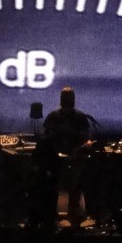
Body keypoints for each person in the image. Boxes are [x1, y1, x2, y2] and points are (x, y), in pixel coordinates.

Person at [42, 87, 94, 225]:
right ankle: (51, 217)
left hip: (75, 158)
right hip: (56, 160)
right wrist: (54, 152)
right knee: (53, 187)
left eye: (69, 96)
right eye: (65, 97)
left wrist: (79, 150)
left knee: (75, 186)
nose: (67, 99)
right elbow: (46, 138)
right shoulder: (53, 117)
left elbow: (87, 139)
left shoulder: (80, 117)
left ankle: (74, 216)